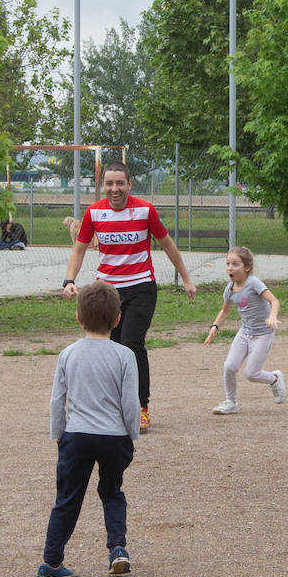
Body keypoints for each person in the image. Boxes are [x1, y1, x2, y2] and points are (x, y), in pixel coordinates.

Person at [62, 162, 197, 433]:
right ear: (103, 186)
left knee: (132, 345)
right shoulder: (94, 213)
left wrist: (186, 278)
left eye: (119, 183)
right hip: (107, 292)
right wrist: (69, 280)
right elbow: (79, 250)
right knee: (109, 349)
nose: (114, 189)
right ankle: (114, 406)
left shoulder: (145, 210)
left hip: (141, 287)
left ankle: (141, 407)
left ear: (129, 184)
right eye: (109, 184)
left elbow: (167, 245)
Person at [35, 281, 140, 577]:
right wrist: (131, 435)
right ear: (117, 319)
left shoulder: (68, 354)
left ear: (78, 317)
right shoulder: (124, 355)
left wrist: (58, 434)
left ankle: (51, 562)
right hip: (113, 437)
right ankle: (117, 549)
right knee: (112, 493)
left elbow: (57, 400)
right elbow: (130, 402)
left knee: (67, 498)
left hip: (77, 435)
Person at [203, 246, 287, 415]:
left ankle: (275, 379)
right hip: (244, 333)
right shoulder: (229, 289)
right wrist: (215, 326)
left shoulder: (254, 283)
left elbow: (274, 301)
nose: (230, 268)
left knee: (251, 373)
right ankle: (231, 402)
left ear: (247, 268)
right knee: (229, 367)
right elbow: (225, 311)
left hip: (263, 333)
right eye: (228, 263)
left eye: (235, 264)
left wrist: (272, 316)